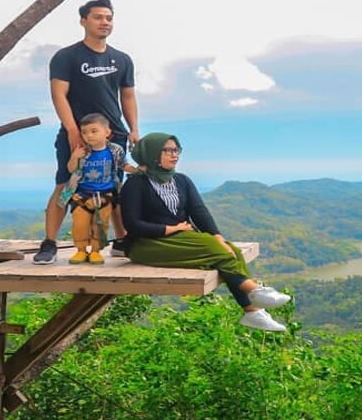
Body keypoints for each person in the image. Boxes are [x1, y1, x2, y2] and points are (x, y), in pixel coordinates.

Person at [121, 133, 291, 332]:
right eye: (167, 150)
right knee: (214, 248)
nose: (174, 155)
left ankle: (252, 311)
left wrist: (217, 236)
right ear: (151, 154)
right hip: (145, 244)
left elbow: (199, 212)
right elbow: (132, 224)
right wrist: (172, 229)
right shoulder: (135, 184)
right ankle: (253, 291)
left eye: (177, 150)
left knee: (230, 250)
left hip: (181, 239)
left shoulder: (181, 180)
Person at [34, 0, 139, 265]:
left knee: (114, 187)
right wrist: (71, 130)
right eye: (98, 17)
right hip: (77, 135)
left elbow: (127, 96)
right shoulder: (67, 57)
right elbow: (59, 95)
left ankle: (122, 241)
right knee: (65, 184)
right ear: (84, 21)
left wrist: (133, 129)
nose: (105, 22)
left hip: (112, 135)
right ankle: (49, 243)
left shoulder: (122, 59)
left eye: (109, 18)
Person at [59, 113, 139, 264]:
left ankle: (96, 251)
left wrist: (137, 170)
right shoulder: (82, 151)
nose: (89, 136)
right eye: (84, 132)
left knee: (101, 225)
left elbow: (123, 165)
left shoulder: (115, 150)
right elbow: (71, 169)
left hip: (105, 195)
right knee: (80, 224)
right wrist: (75, 157)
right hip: (82, 194)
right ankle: (81, 250)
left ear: (107, 132)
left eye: (94, 131)